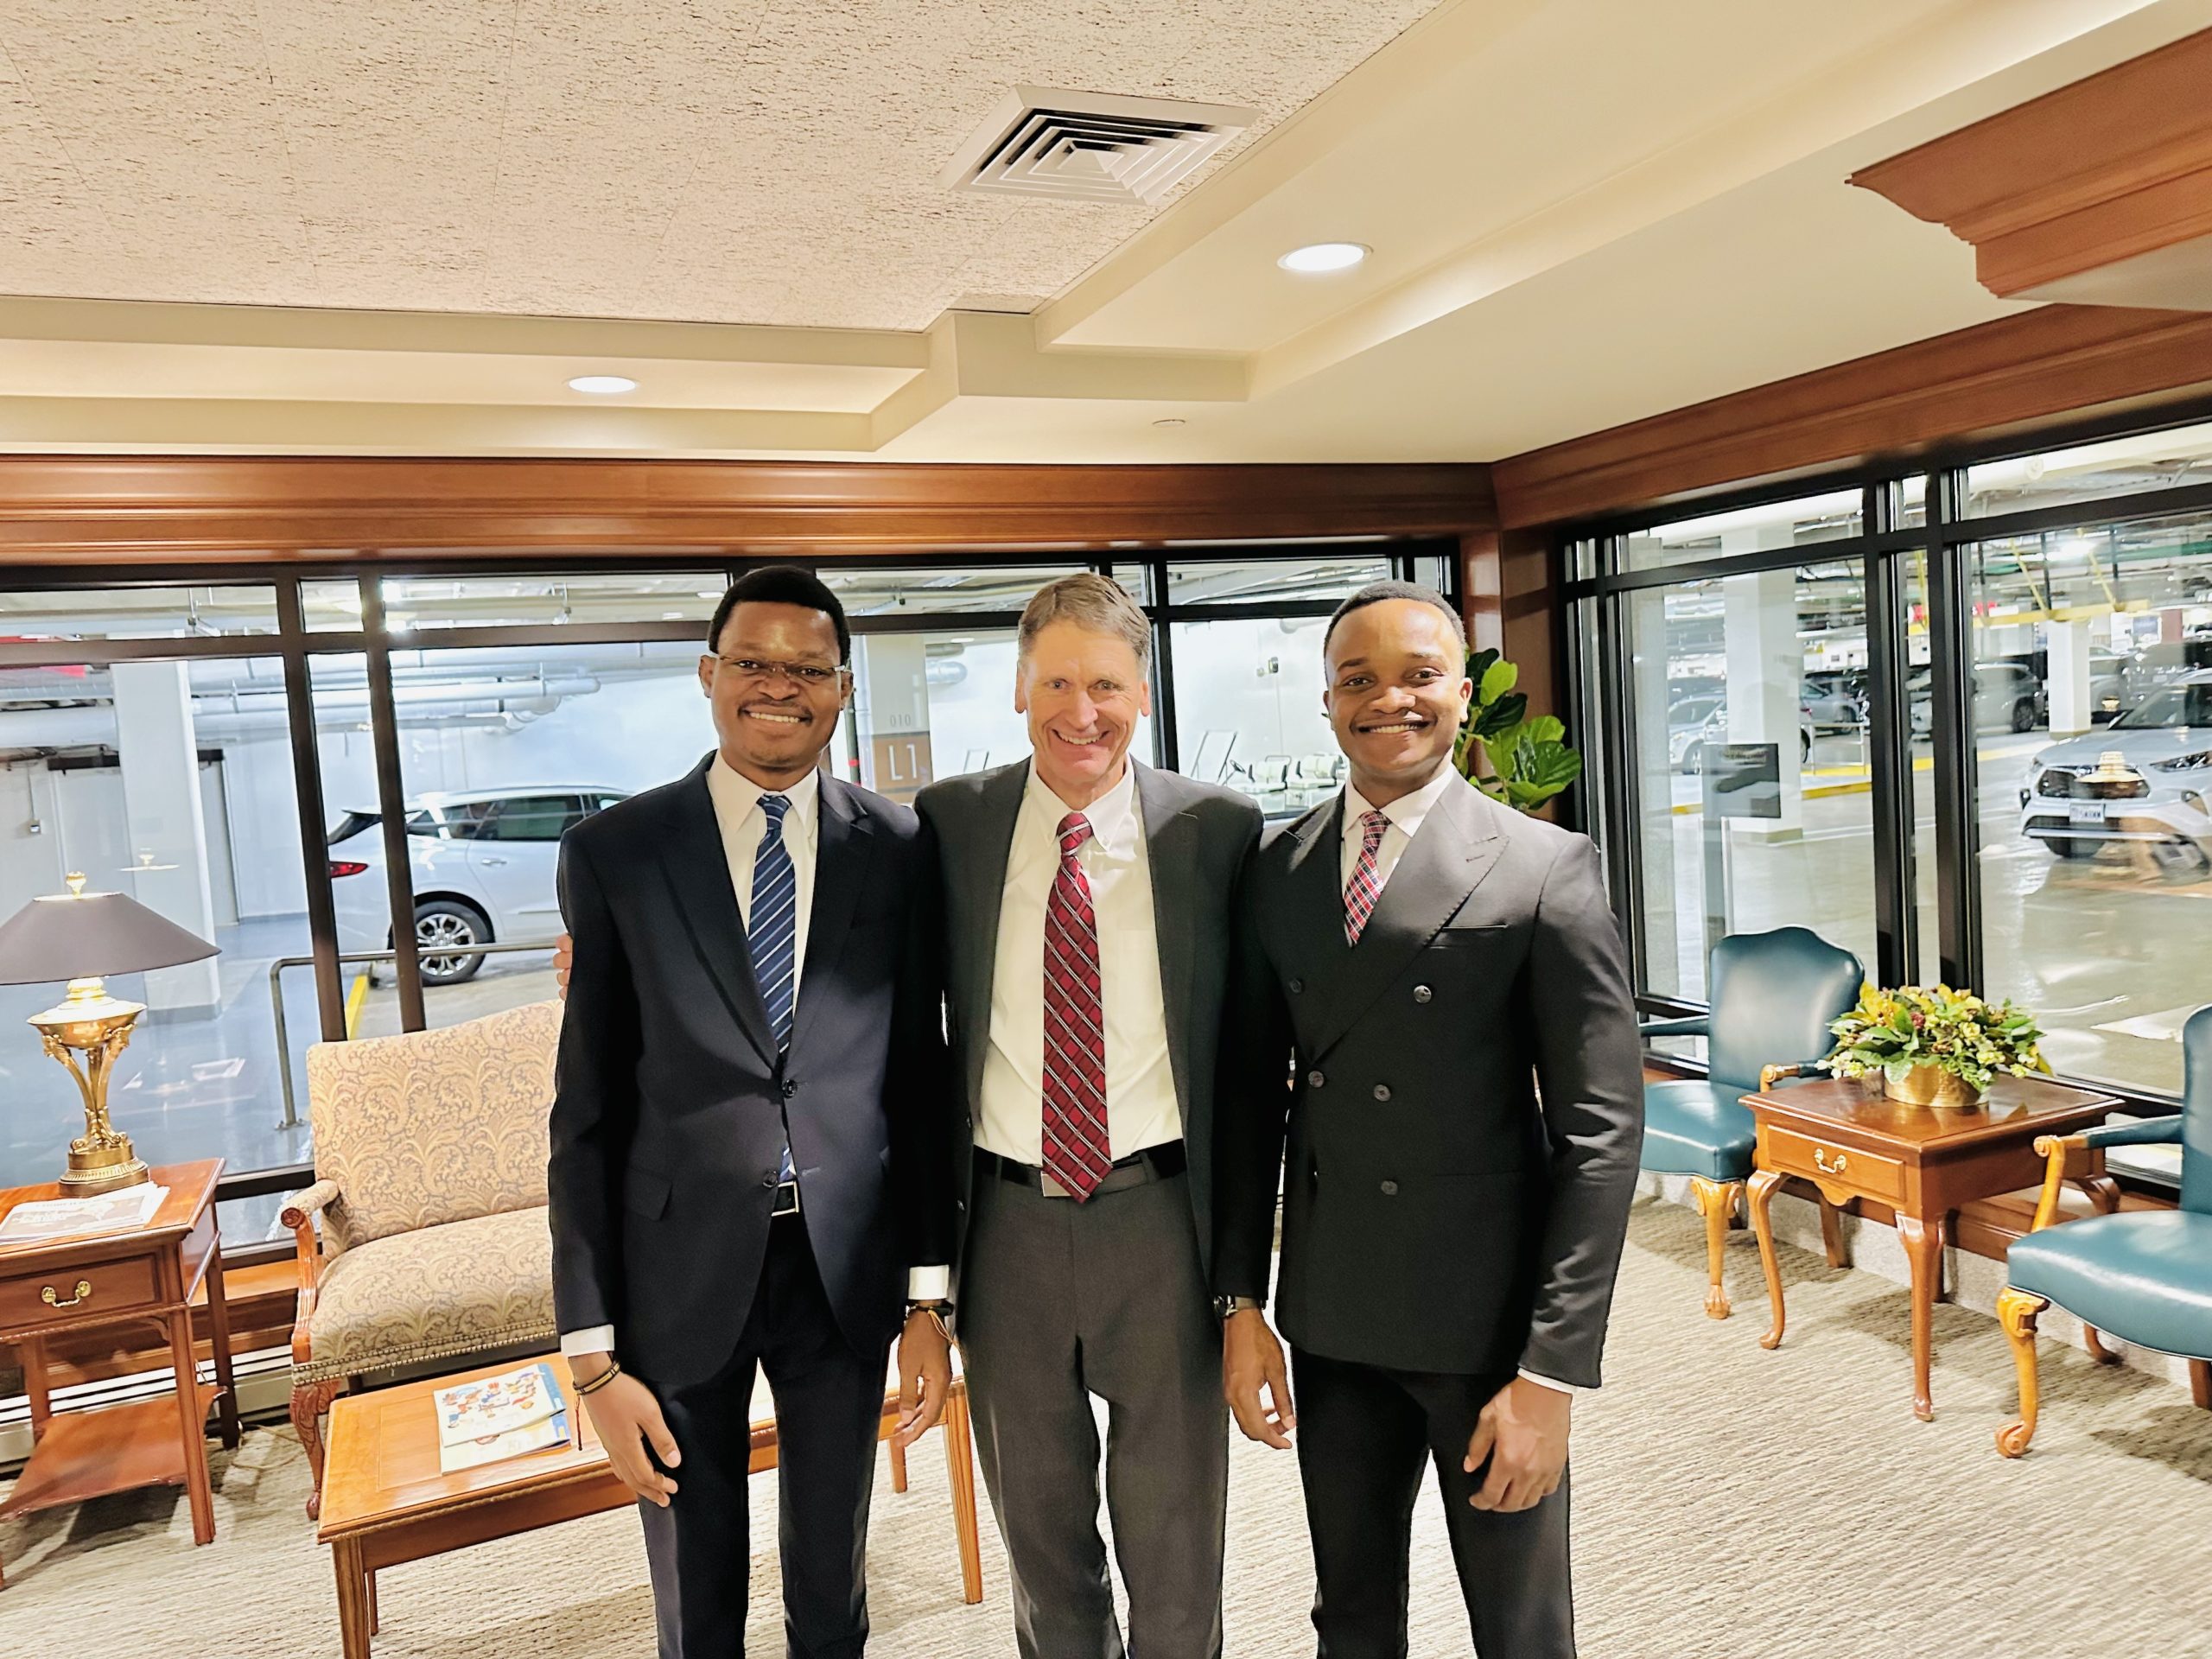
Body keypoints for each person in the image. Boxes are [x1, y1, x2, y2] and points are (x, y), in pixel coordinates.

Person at [1213, 581, 1643, 1659]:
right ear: (1326, 702)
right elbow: (1247, 1103)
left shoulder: (1545, 867)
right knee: (1350, 1617)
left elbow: (1599, 1137)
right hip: (1333, 1315)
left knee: (1520, 1625)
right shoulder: (1281, 866)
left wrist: (1552, 1374)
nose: (1387, 700)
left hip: (1487, 1330)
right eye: (1357, 680)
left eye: (1416, 676)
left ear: (1461, 690)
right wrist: (1239, 1302)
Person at [548, 564, 957, 1659]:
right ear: (708, 675)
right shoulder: (616, 854)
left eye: (807, 670)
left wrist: (929, 1298)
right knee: (699, 1582)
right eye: (753, 664)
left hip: (844, 1267)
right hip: (673, 1269)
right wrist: (589, 1352)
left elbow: (919, 1079)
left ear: (842, 689)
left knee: (833, 1577)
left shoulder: (905, 849)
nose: (779, 688)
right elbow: (584, 1107)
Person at [915, 573, 1262, 1659]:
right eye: (1056, 681)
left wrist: (1244, 1283)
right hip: (1004, 1227)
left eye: (1106, 683)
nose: (1082, 710)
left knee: (1174, 1542)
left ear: (1143, 694)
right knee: (1043, 1541)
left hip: (1160, 1221)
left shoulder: (1220, 830)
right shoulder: (950, 825)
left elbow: (1257, 1063)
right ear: (1019, 687)